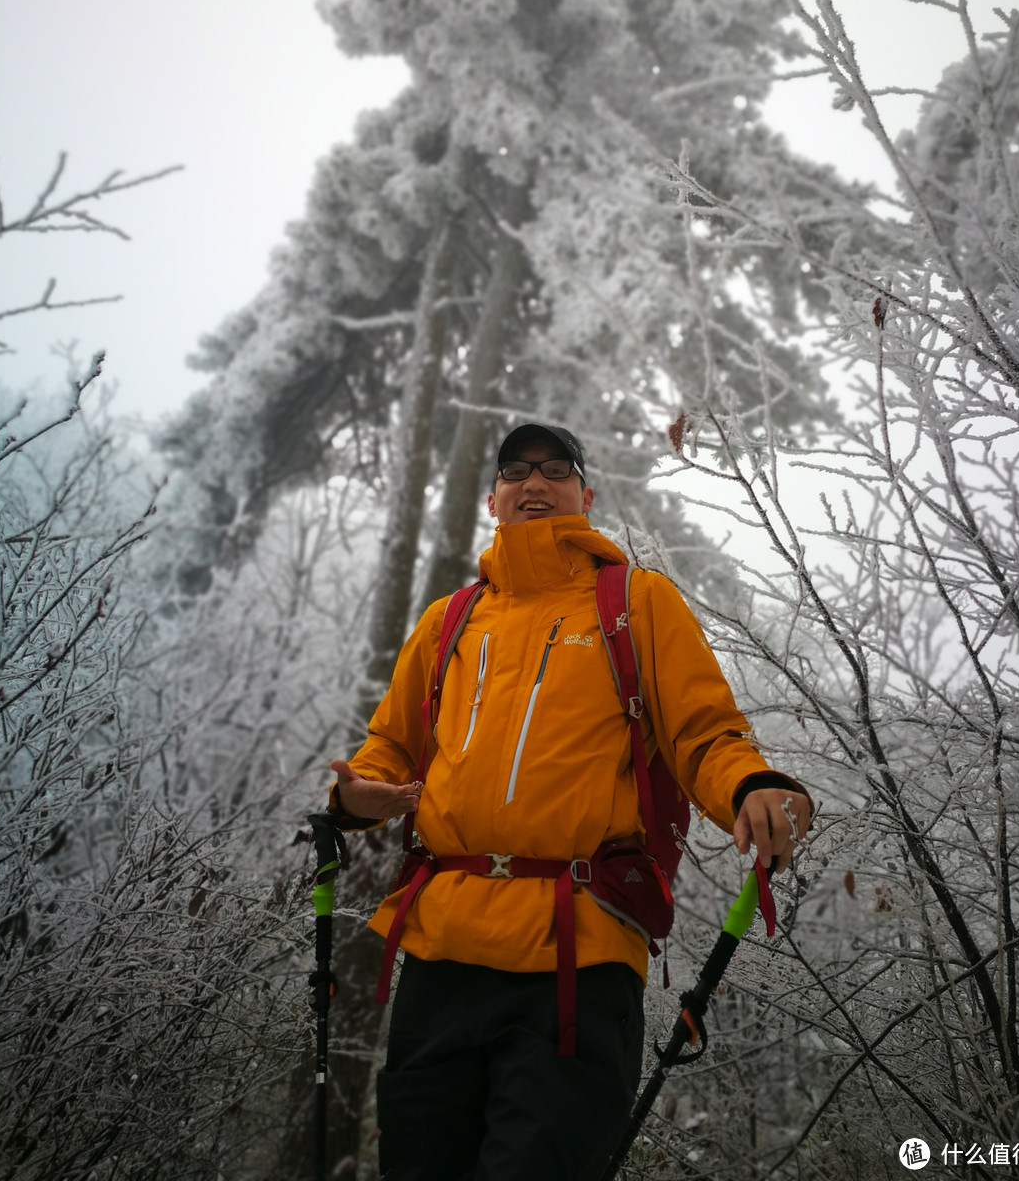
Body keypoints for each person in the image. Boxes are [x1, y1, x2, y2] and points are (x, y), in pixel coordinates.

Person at [328, 423, 811, 1181]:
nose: (534, 482)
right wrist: (358, 794)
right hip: (439, 955)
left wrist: (751, 784)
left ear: (586, 496)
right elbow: (390, 745)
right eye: (515, 470)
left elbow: (704, 732)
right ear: (493, 499)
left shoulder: (635, 603)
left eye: (556, 468)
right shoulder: (449, 621)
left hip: (576, 957)